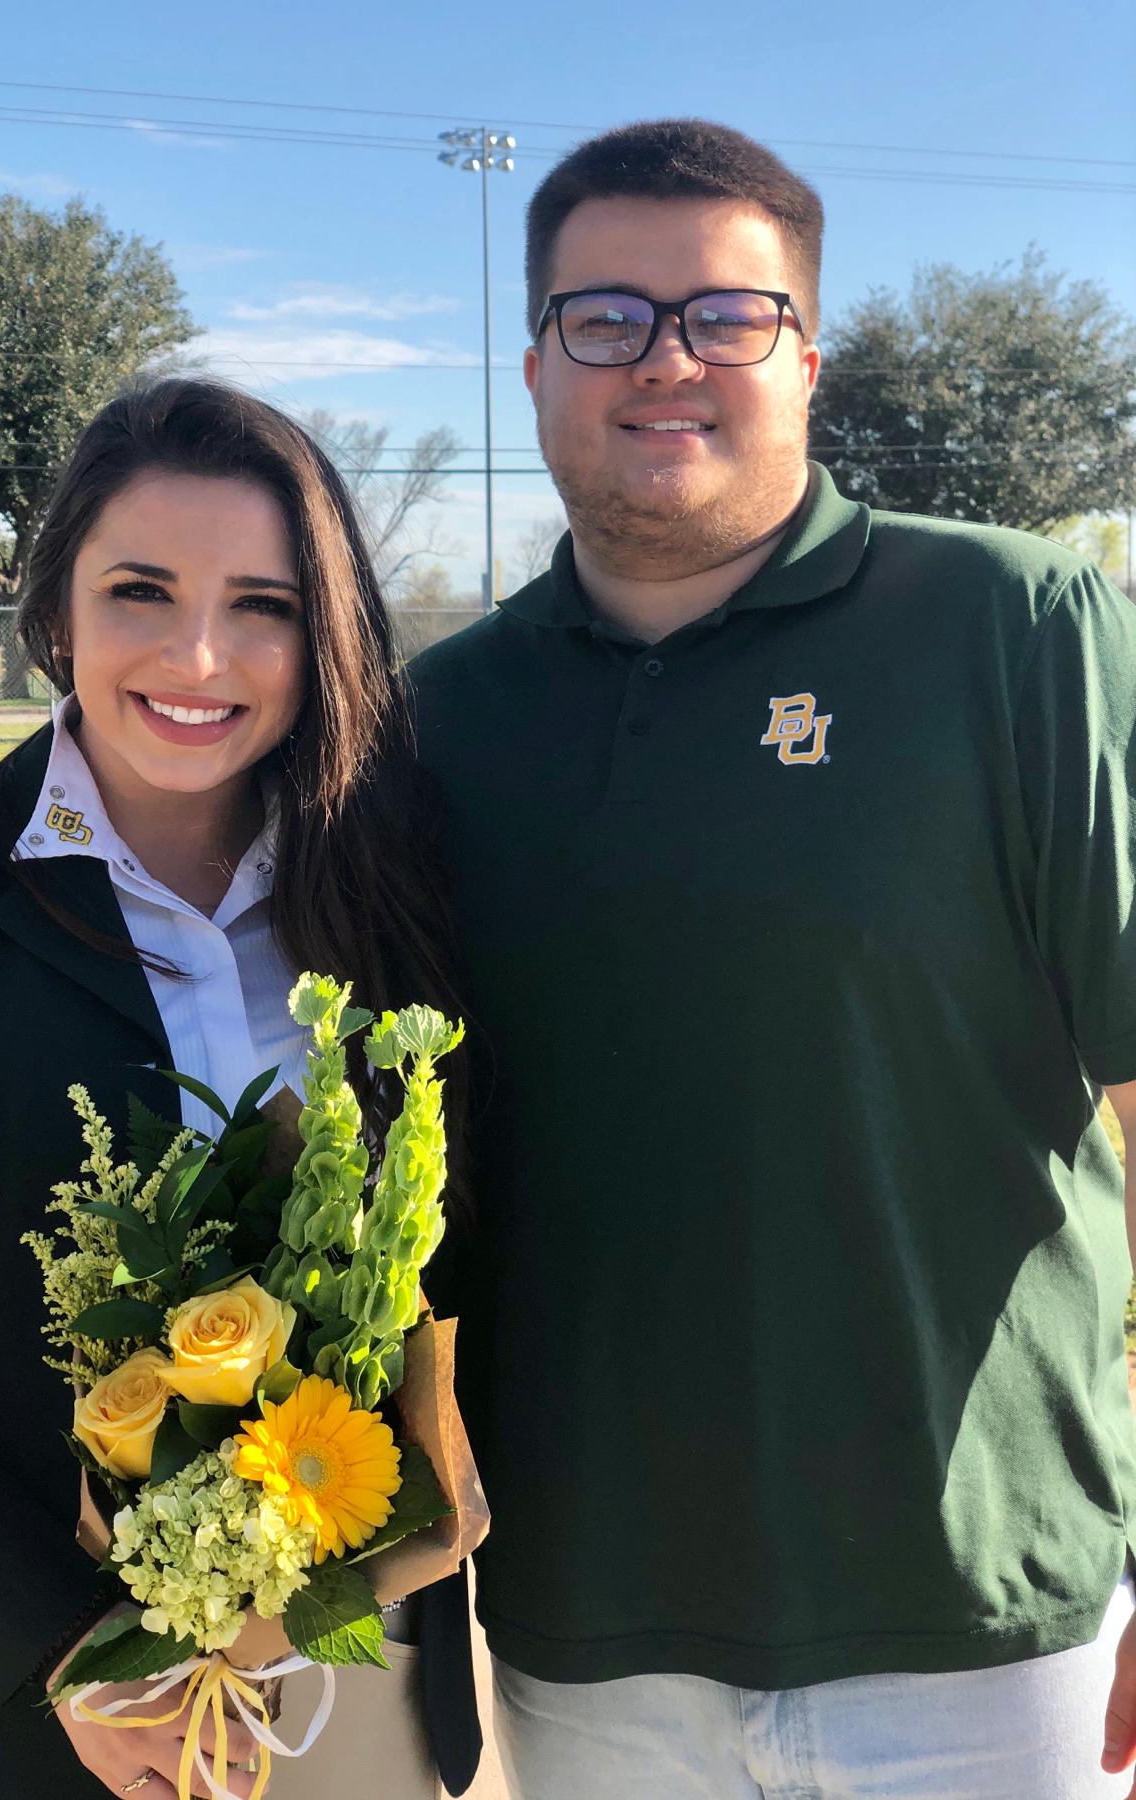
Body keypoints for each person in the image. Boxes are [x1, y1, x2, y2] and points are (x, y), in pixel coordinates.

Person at [407, 118, 1136, 1799]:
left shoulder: (1014, 628)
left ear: (805, 355)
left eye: (723, 316)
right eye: (606, 318)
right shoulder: (444, 718)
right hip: (586, 1625)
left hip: (976, 1613)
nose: (665, 361)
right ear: (532, 363)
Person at [0, 377, 480, 1799]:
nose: (201, 654)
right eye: (140, 592)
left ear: (324, 636)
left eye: (266, 606)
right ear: (55, 616)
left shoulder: (397, 904)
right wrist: (63, 1652)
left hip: (346, 1688)